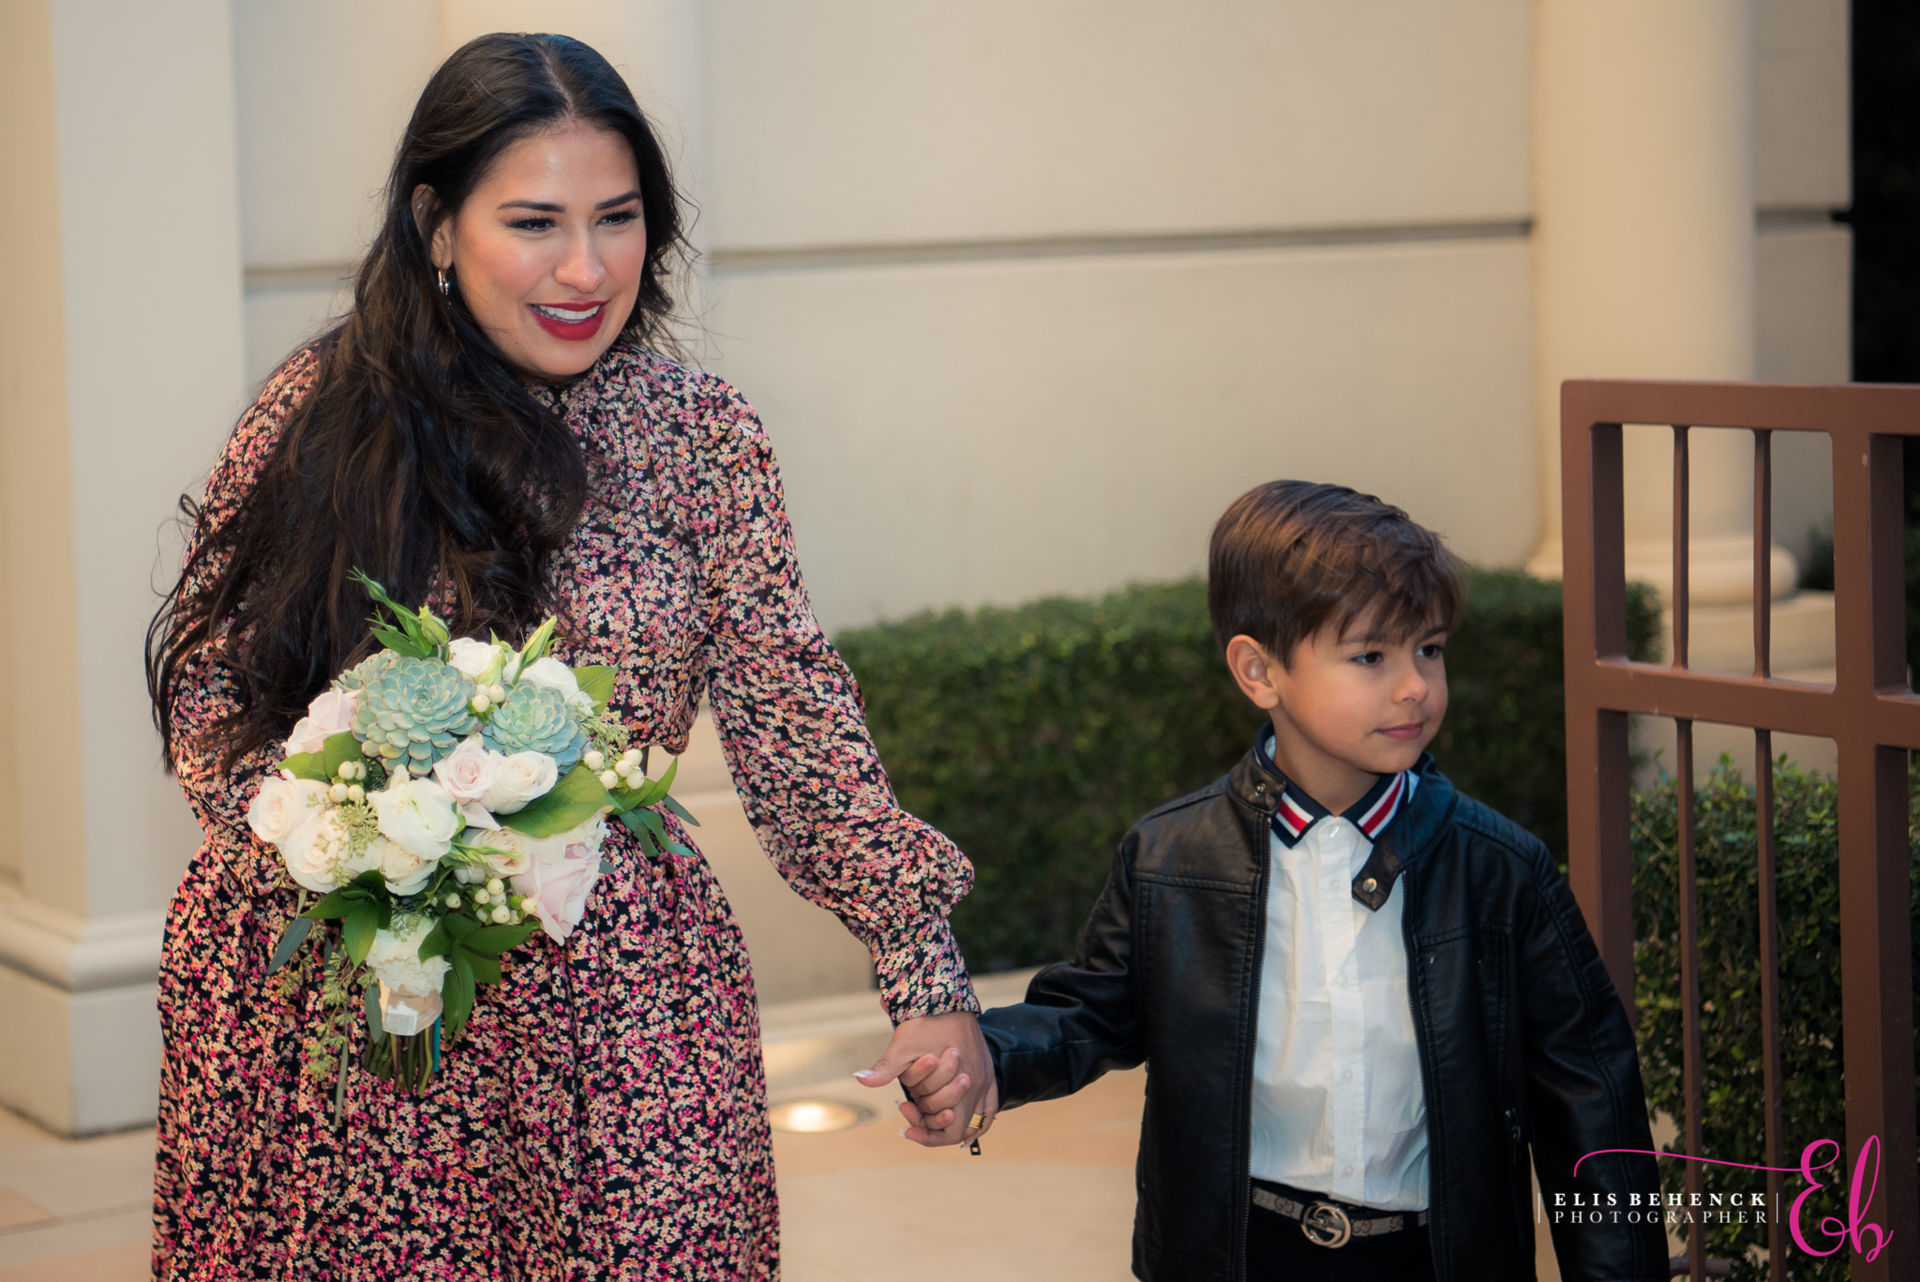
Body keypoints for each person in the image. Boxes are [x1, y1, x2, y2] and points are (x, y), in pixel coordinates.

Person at [145, 32, 990, 1279]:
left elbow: (796, 718)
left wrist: (925, 969)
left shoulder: (701, 437)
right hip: (350, 1007)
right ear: (437, 225)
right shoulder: (320, 413)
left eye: (620, 217)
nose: (586, 267)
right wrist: (366, 835)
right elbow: (214, 696)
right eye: (534, 221)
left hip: (621, 1009)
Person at [903, 481, 1665, 1282]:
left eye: (1429, 649)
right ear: (1259, 671)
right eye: (1371, 656)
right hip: (1236, 1254)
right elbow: (1090, 1014)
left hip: (1435, 1257)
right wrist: (982, 1059)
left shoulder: (1501, 869)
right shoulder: (1171, 859)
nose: (1413, 685)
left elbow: (1594, 1107)